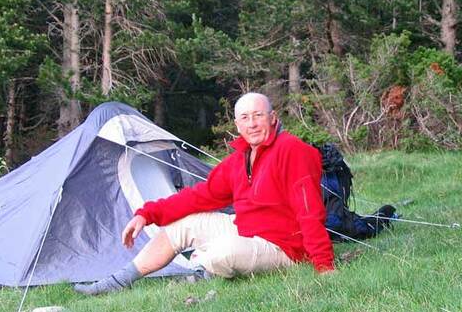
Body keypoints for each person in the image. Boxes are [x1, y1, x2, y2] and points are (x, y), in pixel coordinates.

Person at [74, 92, 334, 296]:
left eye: (258, 116)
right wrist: (147, 214)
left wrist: (324, 266)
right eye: (245, 118)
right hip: (247, 231)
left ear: (273, 117)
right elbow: (199, 196)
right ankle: (117, 282)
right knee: (185, 224)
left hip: (285, 248)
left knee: (225, 251)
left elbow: (310, 212)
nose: (252, 124)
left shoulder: (293, 151)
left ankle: (202, 271)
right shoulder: (239, 160)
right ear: (237, 124)